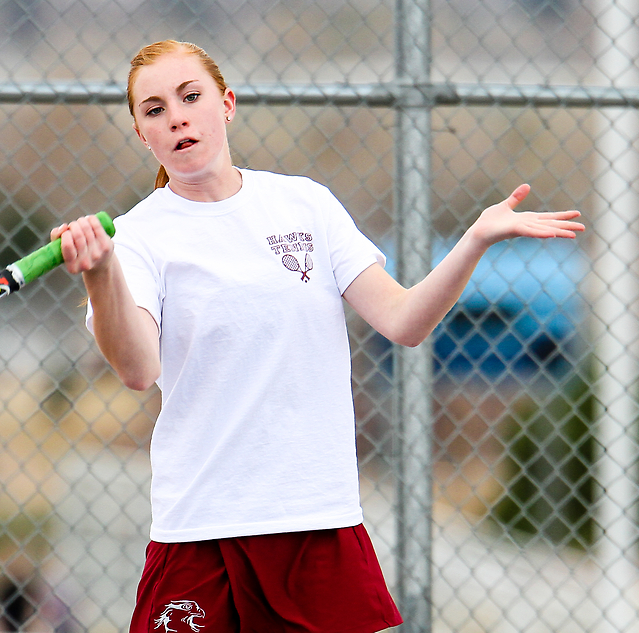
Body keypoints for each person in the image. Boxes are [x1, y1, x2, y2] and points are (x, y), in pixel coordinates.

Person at [50, 40, 584, 633]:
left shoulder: (305, 204)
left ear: (226, 105)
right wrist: (100, 274)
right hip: (202, 527)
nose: (176, 116)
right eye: (154, 109)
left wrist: (476, 240)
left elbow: (405, 321)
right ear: (140, 133)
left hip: (315, 520)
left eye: (190, 96)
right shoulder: (137, 237)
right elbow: (137, 368)